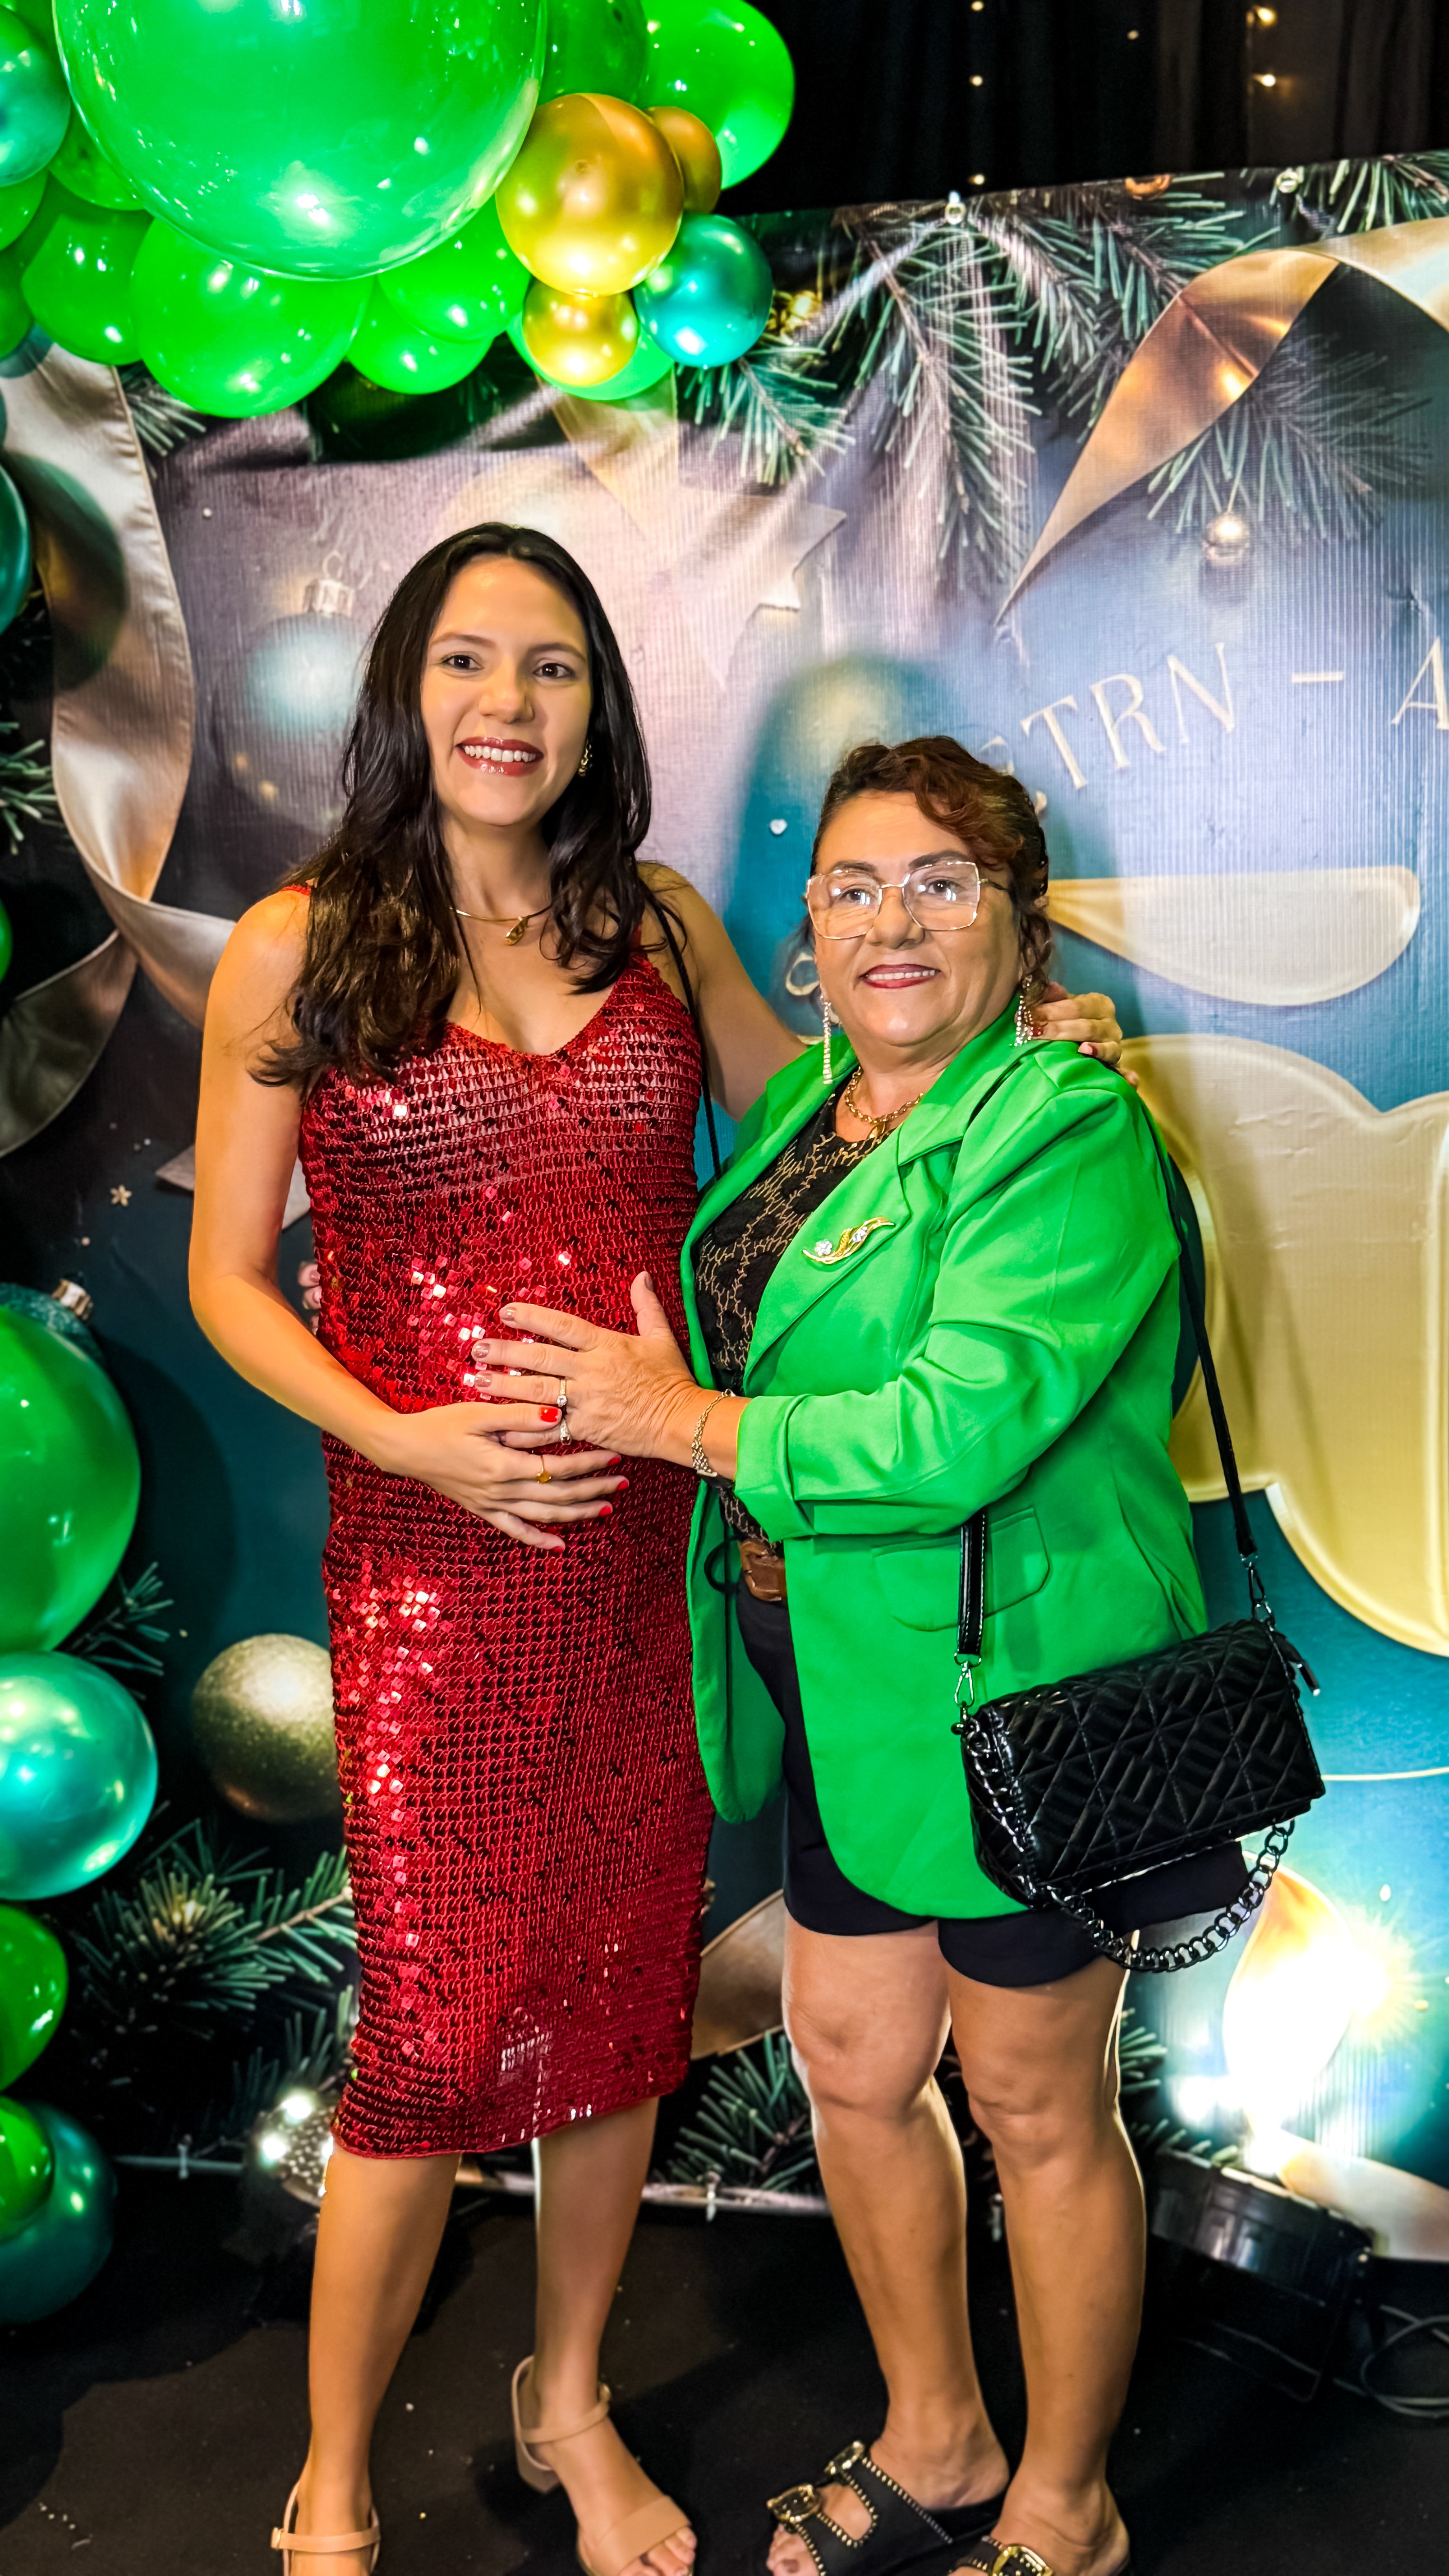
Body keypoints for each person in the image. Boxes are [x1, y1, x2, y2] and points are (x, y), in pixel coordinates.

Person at [189, 527, 1124, 2576]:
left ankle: (573, 2405)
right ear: (406, 690)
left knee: (618, 2010)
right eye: (465, 660)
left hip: (651, 1561)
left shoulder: (660, 922)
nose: (505, 705)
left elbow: (838, 1147)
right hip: (431, 1575)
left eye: (550, 667)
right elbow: (230, 1284)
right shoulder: (295, 946)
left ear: (597, 705)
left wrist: (1025, 1061)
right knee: (428, 2032)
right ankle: (331, 2476)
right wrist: (407, 1441)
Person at [472, 734, 1249, 2576]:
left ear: (1019, 926)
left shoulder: (1065, 1126)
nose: (892, 920)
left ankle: (1068, 2505)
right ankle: (942, 2438)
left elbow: (951, 1429)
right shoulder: (820, 1104)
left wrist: (678, 1421)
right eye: (852, 886)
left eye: (941, 883)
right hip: (838, 1683)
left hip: (1013, 1697)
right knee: (848, 2057)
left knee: (1036, 2104)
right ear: (808, 936)